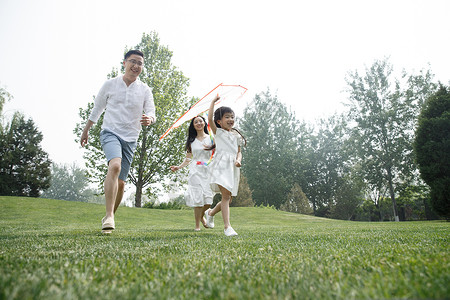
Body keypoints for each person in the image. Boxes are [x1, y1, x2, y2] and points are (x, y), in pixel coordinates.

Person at [80, 50, 156, 233]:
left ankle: (109, 216)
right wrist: (86, 130)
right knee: (114, 166)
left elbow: (152, 112)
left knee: (121, 183)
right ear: (124, 63)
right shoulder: (110, 84)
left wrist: (150, 119)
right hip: (110, 132)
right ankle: (109, 215)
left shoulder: (145, 89)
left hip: (130, 138)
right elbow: (97, 108)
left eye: (140, 63)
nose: (136, 66)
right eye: (133, 61)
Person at [203, 95, 246, 236]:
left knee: (228, 198)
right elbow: (209, 120)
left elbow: (239, 152)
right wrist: (213, 103)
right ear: (219, 121)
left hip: (232, 167)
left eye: (232, 117)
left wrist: (238, 160)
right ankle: (227, 227)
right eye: (227, 117)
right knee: (226, 196)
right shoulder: (219, 132)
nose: (231, 119)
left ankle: (210, 213)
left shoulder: (236, 136)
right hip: (221, 166)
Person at [170, 116, 214, 231]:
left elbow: (216, 154)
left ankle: (203, 215)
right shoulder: (191, 141)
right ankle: (197, 226)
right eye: (196, 122)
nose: (199, 123)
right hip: (195, 171)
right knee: (198, 199)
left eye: (200, 121)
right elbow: (188, 159)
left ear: (204, 123)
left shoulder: (211, 138)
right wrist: (178, 167)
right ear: (193, 125)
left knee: (208, 200)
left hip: (208, 170)